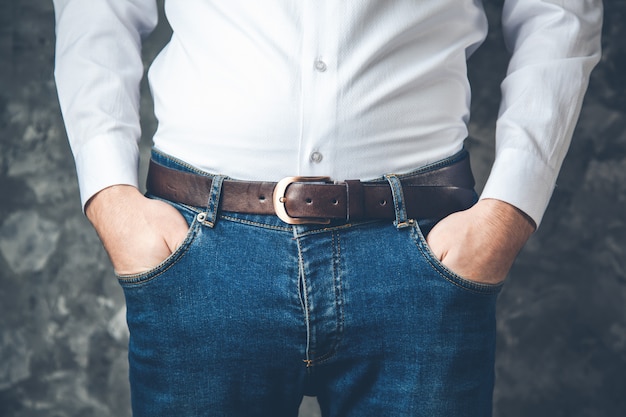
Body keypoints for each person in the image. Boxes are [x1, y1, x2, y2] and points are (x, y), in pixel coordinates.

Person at [52, 1, 602, 416]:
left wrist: (508, 213)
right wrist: (112, 200)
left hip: (425, 252)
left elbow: (560, 12)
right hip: (200, 251)